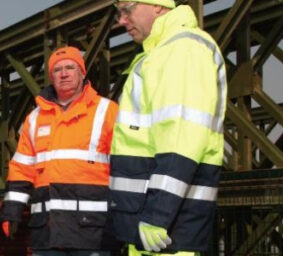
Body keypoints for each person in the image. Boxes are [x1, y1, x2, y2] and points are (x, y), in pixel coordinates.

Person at [108, 0, 227, 255]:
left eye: (127, 10)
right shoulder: (162, 52)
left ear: (158, 6)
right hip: (153, 227)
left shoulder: (181, 49)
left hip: (166, 229)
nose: (121, 21)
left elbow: (182, 138)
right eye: (119, 13)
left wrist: (157, 215)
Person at [0, 46, 120, 256]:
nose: (64, 74)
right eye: (57, 70)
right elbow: (21, 168)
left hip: (92, 234)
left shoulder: (107, 111)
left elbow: (124, 167)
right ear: (51, 77)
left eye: (70, 68)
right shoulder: (35, 118)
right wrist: (12, 210)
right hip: (47, 233)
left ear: (82, 73)